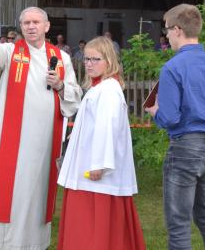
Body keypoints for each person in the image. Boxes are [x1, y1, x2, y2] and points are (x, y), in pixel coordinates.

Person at [0, 1, 81, 250]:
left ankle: (34, 242)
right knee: (11, 189)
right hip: (12, 138)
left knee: (37, 190)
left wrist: (60, 85)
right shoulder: (11, 51)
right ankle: (3, 241)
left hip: (44, 139)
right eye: (26, 23)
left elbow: (75, 96)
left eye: (36, 22)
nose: (31, 26)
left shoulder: (61, 58)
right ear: (21, 27)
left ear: (47, 26)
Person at [145, 4, 205, 250]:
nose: (166, 36)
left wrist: (155, 112)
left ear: (177, 30)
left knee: (179, 224)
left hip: (186, 147)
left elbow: (170, 118)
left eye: (166, 30)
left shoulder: (173, 67)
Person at [56, 36, 145, 249]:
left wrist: (100, 165)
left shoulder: (108, 90)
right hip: (87, 162)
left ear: (109, 61)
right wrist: (77, 133)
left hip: (95, 171)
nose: (89, 64)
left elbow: (107, 128)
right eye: (87, 59)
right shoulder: (100, 87)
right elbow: (94, 122)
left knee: (94, 222)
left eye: (95, 59)